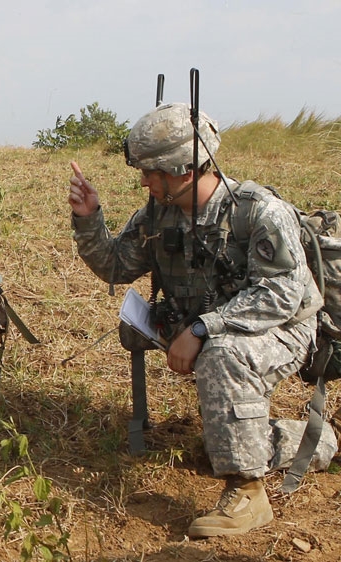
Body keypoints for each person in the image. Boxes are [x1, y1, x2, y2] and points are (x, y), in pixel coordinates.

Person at [67, 102, 322, 538]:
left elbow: (281, 294)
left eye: (151, 171)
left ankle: (248, 494)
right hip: (203, 327)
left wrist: (205, 328)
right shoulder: (157, 213)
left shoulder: (258, 211)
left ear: (183, 169)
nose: (144, 181)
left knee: (223, 353)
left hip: (280, 330)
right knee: (215, 441)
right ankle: (312, 441)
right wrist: (89, 218)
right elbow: (114, 266)